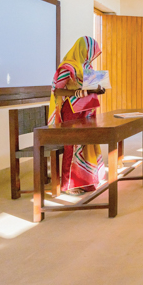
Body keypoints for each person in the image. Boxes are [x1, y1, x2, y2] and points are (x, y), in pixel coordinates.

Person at [48, 36, 106, 195]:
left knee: (87, 143)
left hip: (87, 109)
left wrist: (99, 89)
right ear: (83, 49)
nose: (92, 55)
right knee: (72, 145)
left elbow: (89, 88)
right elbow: (57, 90)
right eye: (90, 52)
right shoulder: (68, 67)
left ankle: (87, 182)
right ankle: (68, 184)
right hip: (72, 111)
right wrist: (76, 92)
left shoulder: (87, 66)